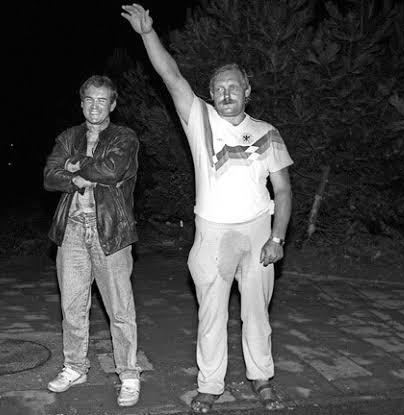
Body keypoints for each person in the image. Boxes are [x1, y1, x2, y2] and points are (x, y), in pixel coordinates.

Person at [122, 4, 293, 412]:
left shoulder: (267, 133)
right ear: (211, 94)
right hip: (212, 234)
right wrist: (147, 33)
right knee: (211, 315)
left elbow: (284, 190)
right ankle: (210, 385)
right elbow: (171, 75)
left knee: (257, 313)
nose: (226, 94)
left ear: (247, 92)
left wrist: (277, 238)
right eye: (219, 88)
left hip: (258, 231)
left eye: (234, 87)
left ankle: (262, 378)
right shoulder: (199, 117)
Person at [43, 75, 141, 407]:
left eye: (102, 100)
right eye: (89, 100)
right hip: (71, 230)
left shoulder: (124, 137)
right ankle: (74, 367)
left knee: (120, 308)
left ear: (112, 104)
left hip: (110, 230)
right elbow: (50, 176)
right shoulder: (68, 136)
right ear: (81, 102)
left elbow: (112, 170)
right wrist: (79, 178)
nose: (95, 106)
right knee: (72, 306)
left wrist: (77, 165)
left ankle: (129, 374)